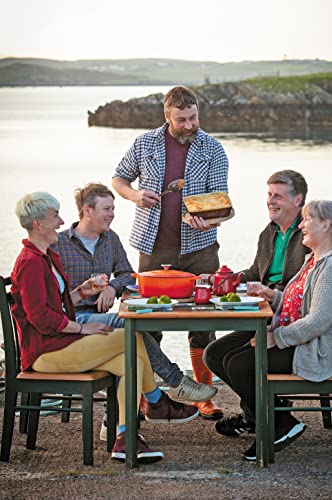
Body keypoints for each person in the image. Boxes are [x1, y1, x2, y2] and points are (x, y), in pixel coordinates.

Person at [11, 192, 201, 464]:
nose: (62, 221)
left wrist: (79, 293)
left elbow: (54, 304)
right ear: (38, 224)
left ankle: (125, 436)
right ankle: (157, 401)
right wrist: (81, 329)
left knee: (131, 360)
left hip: (59, 344)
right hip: (45, 353)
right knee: (131, 334)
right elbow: (40, 317)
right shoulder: (29, 263)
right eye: (55, 217)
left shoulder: (46, 257)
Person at [204, 169, 332, 437]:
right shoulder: (269, 232)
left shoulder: (311, 234)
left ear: (299, 200)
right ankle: (265, 409)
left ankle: (266, 418)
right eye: (269, 194)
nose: (271, 201)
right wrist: (225, 279)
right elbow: (256, 272)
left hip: (291, 323)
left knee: (238, 362)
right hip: (270, 315)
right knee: (214, 354)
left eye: (279, 196)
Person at [51, 182, 217, 439]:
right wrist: (84, 293)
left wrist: (112, 288)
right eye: (106, 208)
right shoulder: (59, 244)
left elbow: (127, 274)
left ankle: (117, 422)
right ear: (87, 210)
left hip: (97, 320)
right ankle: (174, 385)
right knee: (130, 326)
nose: (112, 214)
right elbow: (46, 299)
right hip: (72, 320)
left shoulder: (111, 239)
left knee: (132, 338)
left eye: (113, 208)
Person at [112, 86, 229, 419]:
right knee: (148, 325)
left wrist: (205, 216)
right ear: (168, 116)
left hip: (200, 250)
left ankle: (202, 399)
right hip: (152, 248)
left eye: (194, 117)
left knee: (204, 324)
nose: (190, 124)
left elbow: (220, 200)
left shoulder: (213, 148)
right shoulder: (144, 143)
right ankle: (148, 397)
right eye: (182, 119)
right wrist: (134, 196)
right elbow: (119, 179)